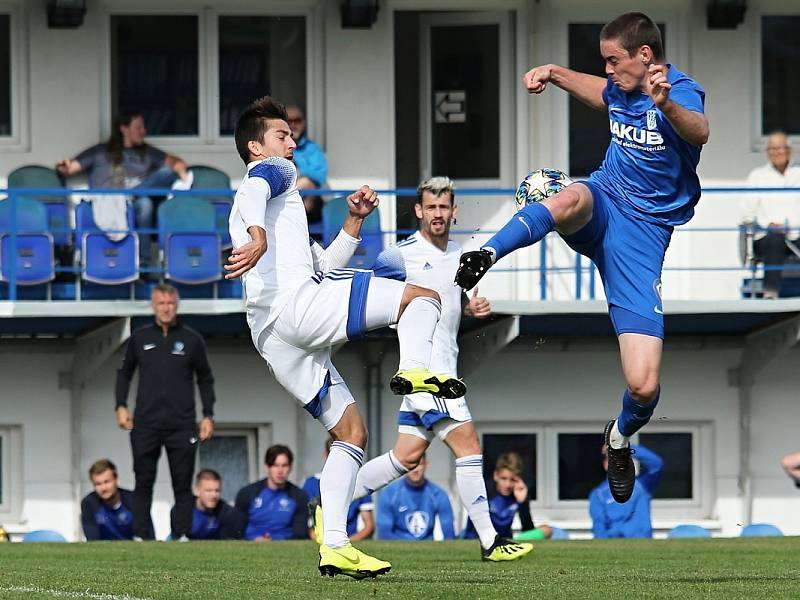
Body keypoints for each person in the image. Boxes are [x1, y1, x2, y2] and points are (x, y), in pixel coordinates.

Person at [454, 12, 708, 504]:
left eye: (614, 60)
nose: (609, 70)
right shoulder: (621, 87)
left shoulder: (680, 90)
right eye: (605, 62)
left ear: (645, 56)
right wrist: (553, 72)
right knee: (568, 195)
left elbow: (699, 132)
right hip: (605, 200)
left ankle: (618, 438)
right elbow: (601, 92)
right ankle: (486, 251)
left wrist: (668, 106)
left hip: (642, 240)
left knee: (643, 385)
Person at [225, 95, 465, 578]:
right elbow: (253, 192)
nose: (291, 142)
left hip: (274, 336)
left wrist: (353, 221)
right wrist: (257, 233)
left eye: (291, 136)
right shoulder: (274, 174)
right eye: (281, 135)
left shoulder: (279, 213)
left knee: (351, 434)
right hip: (297, 309)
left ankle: (334, 544)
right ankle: (415, 369)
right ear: (256, 147)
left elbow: (323, 266)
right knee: (422, 298)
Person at [347, 176, 532, 561]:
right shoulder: (397, 256)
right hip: (427, 375)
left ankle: (334, 497)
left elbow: (450, 308)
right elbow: (376, 300)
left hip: (446, 368)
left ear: (454, 211)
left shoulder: (461, 256)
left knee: (406, 456)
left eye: (443, 207)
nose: (437, 214)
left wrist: (470, 310)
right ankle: (490, 542)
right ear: (418, 210)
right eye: (430, 207)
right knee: (469, 448)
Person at [115, 283, 217, 540]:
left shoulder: (192, 339)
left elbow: (205, 379)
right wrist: (120, 406)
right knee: (143, 482)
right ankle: (140, 536)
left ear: (177, 304)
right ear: (153, 305)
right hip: (145, 423)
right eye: (161, 303)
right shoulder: (140, 337)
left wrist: (207, 415)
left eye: (170, 303)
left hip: (182, 424)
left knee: (182, 485)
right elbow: (124, 374)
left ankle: (182, 535)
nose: (166, 308)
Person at [56, 110, 193, 265]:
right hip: (108, 200)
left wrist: (182, 174)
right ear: (124, 129)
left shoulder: (147, 151)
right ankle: (133, 196)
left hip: (133, 200)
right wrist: (63, 166)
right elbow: (69, 168)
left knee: (150, 197)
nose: (144, 131)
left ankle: (143, 260)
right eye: (139, 128)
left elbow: (176, 163)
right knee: (145, 201)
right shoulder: (101, 150)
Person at [741, 131, 800, 299]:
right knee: (775, 239)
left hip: (796, 234)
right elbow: (747, 211)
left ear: (789, 150)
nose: (776, 152)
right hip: (767, 236)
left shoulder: (798, 173)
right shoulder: (757, 176)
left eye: (780, 148)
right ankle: (770, 293)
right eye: (772, 149)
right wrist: (768, 224)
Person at [463, 452, 552, 542]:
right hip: (482, 539)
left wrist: (522, 503)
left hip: (506, 539)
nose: (508, 484)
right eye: (503, 478)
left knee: (547, 529)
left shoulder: (518, 493)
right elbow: (472, 527)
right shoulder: (486, 491)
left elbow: (528, 530)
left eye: (512, 480)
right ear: (496, 475)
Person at [303, 438, 375, 542]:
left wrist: (345, 544)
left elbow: (369, 526)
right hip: (322, 541)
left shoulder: (359, 482)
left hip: (351, 539)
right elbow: (308, 525)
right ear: (325, 456)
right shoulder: (311, 484)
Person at [234, 445, 309, 541]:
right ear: (267, 467)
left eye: (284, 465)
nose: (280, 471)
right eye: (275, 465)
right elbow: (236, 532)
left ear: (290, 467)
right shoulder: (247, 493)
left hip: (285, 547)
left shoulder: (299, 497)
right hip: (251, 544)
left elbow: (300, 534)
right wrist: (254, 540)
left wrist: (274, 540)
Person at [589, 443, 663, 538]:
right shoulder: (599, 494)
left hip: (643, 543)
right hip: (615, 545)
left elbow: (657, 464)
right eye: (614, 460)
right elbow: (599, 527)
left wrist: (622, 447)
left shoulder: (643, 484)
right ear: (606, 465)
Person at [375, 455, 455, 541]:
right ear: (403, 466)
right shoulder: (389, 494)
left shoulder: (438, 494)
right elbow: (384, 533)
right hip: (398, 548)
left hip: (428, 548)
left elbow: (449, 534)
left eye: (419, 464)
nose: (415, 469)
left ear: (426, 464)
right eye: (411, 465)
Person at [172, 469, 244, 540]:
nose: (214, 495)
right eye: (208, 491)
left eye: (217, 491)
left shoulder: (227, 512)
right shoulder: (181, 511)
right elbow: (177, 539)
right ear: (197, 491)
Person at [286, 104, 328, 226]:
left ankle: (298, 222)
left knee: (307, 183)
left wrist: (300, 169)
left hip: (309, 202)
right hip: (283, 197)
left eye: (297, 121)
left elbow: (320, 176)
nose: (293, 125)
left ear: (303, 123)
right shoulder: (276, 146)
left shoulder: (312, 148)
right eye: (289, 121)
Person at [80, 459, 136, 541]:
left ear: (116, 480)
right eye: (98, 484)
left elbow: (146, 536)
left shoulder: (134, 500)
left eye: (107, 482)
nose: (103, 488)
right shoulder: (88, 503)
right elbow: (92, 539)